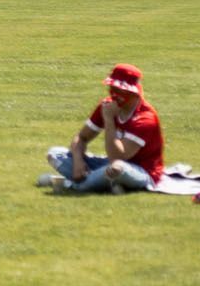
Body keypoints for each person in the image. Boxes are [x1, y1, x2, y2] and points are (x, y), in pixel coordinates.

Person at [38, 63, 164, 194]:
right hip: (107, 165)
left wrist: (109, 120)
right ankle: (107, 184)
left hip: (140, 171)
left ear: (133, 92)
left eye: (120, 91)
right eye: (112, 89)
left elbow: (117, 156)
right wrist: (78, 161)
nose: (114, 95)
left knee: (117, 169)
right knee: (55, 154)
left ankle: (68, 184)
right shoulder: (107, 105)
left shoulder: (145, 118)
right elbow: (82, 137)